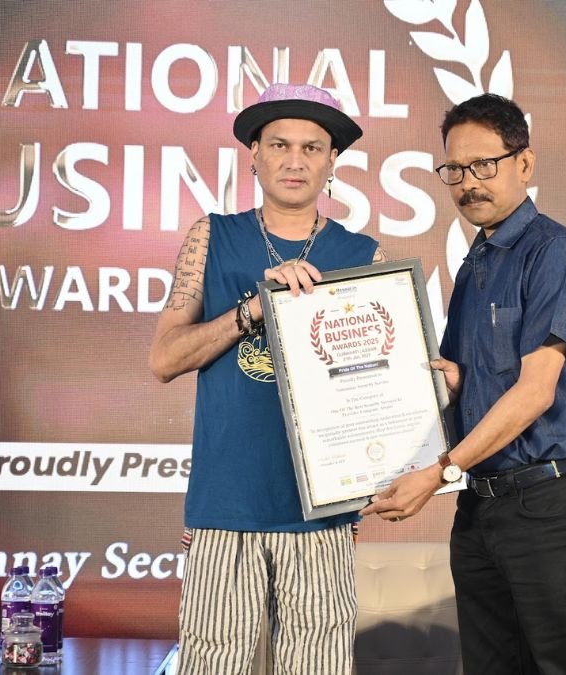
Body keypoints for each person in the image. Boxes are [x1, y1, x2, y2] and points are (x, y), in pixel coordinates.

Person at [362, 93, 566, 674]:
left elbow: (535, 391)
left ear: (524, 163)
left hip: (552, 505)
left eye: (484, 165)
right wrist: (455, 385)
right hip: (481, 506)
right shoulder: (476, 263)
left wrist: (439, 471)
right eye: (454, 170)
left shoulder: (558, 253)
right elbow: (479, 382)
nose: (468, 183)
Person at [148, 83, 386, 675]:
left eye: (312, 147)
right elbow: (165, 358)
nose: (295, 160)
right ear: (254, 153)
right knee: (212, 666)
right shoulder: (212, 236)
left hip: (323, 511)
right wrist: (255, 309)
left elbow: (380, 391)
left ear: (332, 161)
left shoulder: (364, 255)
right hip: (225, 505)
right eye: (280, 144)